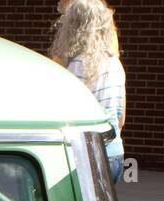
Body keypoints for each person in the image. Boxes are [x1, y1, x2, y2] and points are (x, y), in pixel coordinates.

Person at [51, 0, 127, 183]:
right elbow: (121, 118)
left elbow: (65, 115)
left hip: (88, 155)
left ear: (73, 26)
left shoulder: (77, 65)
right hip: (115, 152)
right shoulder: (115, 63)